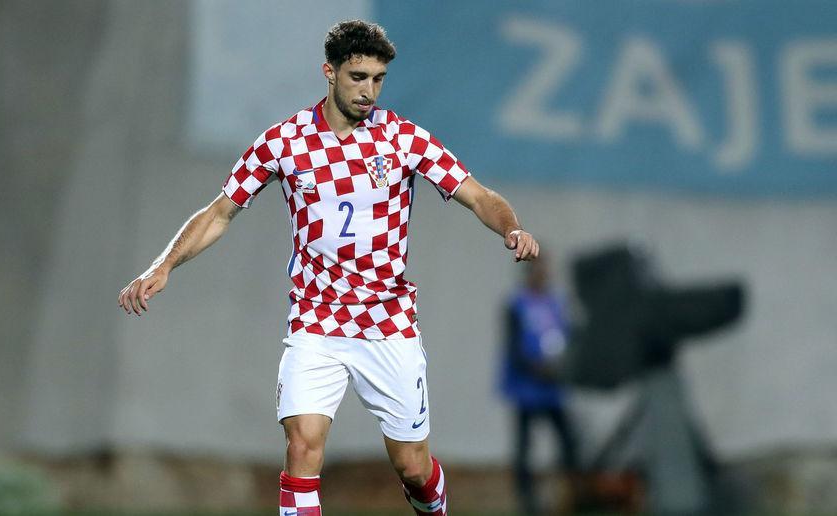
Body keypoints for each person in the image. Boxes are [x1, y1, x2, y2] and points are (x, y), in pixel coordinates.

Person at [118, 19, 539, 516]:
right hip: (315, 318)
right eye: (358, 77)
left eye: (378, 79)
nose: (369, 91)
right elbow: (219, 212)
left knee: (412, 467)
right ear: (330, 71)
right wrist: (163, 266)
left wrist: (510, 227)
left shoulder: (403, 139)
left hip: (387, 320)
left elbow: (478, 195)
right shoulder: (284, 142)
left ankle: (434, 507)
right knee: (302, 444)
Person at [499, 253, 578, 514]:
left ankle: (571, 496)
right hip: (528, 390)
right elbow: (513, 348)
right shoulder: (517, 304)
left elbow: (567, 337)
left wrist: (563, 366)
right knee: (524, 449)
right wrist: (537, 369)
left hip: (553, 389)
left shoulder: (556, 302)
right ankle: (527, 502)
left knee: (569, 442)